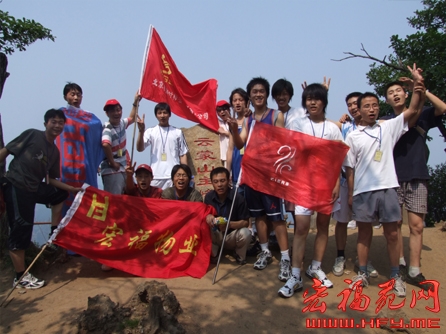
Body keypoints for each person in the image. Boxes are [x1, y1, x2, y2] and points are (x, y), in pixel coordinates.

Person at [344, 64, 424, 298]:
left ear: (379, 109)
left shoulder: (389, 127)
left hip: (389, 188)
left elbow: (413, 109)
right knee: (364, 234)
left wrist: (418, 84)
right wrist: (350, 193)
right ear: (357, 110)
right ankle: (362, 273)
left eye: (375, 105)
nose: (371, 109)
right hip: (363, 192)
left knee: (391, 234)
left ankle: (395, 275)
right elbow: (350, 169)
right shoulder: (352, 136)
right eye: (366, 106)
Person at [1, 109, 81, 289]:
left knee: (60, 194)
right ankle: (20, 277)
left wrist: (70, 189)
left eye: (61, 123)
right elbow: (6, 151)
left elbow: (51, 179)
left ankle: (54, 231)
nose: (57, 125)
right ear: (46, 123)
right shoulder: (32, 135)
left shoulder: (54, 152)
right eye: (54, 121)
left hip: (34, 188)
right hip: (16, 184)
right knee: (21, 227)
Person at [380, 78, 446, 290]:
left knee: (417, 226)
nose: (396, 94)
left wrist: (421, 90)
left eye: (399, 90)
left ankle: (414, 271)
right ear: (387, 99)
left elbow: (443, 108)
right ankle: (398, 264)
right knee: (396, 224)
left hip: (418, 175)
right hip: (393, 176)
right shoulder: (386, 120)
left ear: (406, 94)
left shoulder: (424, 113)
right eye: (391, 92)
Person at [278, 83, 342, 298]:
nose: (312, 102)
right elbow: (287, 152)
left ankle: (315, 267)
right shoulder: (297, 124)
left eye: (317, 98)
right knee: (302, 228)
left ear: (324, 101)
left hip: (326, 184)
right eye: (308, 99)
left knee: (323, 226)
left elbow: (338, 159)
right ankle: (295, 275)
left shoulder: (333, 129)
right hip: (303, 184)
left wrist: (336, 184)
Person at [228, 77, 291, 282]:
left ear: (266, 93)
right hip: (252, 175)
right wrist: (232, 129)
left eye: (261, 91)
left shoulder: (276, 115)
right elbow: (239, 145)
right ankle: (264, 251)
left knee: (276, 217)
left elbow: (281, 145)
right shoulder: (247, 119)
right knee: (259, 217)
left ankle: (285, 257)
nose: (258, 94)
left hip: (270, 176)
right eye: (254, 91)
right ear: (250, 96)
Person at [331, 92, 378, 278]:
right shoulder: (345, 127)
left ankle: (362, 259)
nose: (352, 107)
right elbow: (321, 120)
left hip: (366, 183)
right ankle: (340, 256)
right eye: (349, 104)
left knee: (364, 224)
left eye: (355, 104)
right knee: (342, 221)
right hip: (344, 181)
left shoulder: (378, 127)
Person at [57, 83, 103, 216]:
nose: (76, 97)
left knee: (85, 198)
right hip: (65, 164)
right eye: (72, 94)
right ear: (65, 96)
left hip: (84, 164)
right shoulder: (60, 115)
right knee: (63, 199)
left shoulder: (89, 117)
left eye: (79, 94)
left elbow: (97, 135)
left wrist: (95, 160)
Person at [136, 102, 188, 190]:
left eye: (165, 112)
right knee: (156, 202)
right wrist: (141, 131)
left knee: (172, 202)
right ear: (156, 115)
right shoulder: (151, 131)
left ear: (169, 114)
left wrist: (186, 173)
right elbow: (140, 148)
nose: (162, 116)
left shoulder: (177, 132)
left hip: (173, 176)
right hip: (156, 175)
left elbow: (183, 154)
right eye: (159, 113)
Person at [204, 167, 250, 264]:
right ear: (212, 183)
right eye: (216, 182)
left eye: (222, 181)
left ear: (228, 181)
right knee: (203, 226)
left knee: (246, 233)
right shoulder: (209, 197)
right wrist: (209, 217)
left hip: (231, 236)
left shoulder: (237, 198)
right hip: (216, 234)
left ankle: (239, 254)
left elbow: (245, 222)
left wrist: (229, 224)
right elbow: (206, 215)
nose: (219, 185)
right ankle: (214, 253)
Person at [100, 95, 138, 194]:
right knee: (115, 200)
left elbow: (132, 118)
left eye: (118, 110)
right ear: (107, 113)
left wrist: (135, 102)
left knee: (130, 196)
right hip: (112, 171)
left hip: (122, 168)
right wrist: (112, 162)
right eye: (112, 111)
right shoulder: (107, 128)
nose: (116, 113)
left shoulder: (121, 123)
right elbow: (105, 144)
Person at [216, 100, 231, 168]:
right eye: (219, 110)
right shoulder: (218, 123)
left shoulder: (235, 122)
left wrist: (224, 132)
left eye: (224, 109)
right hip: (224, 158)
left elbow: (238, 137)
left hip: (236, 156)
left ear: (229, 110)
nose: (222, 112)